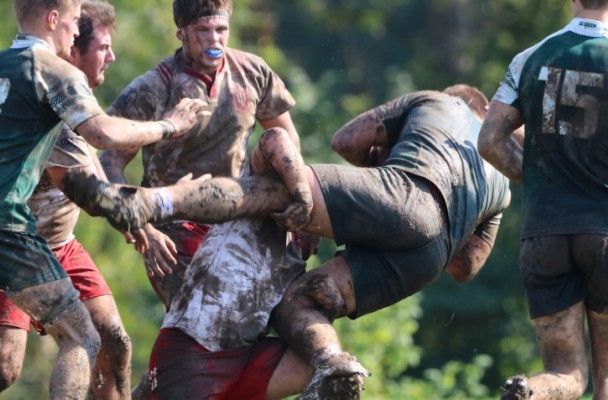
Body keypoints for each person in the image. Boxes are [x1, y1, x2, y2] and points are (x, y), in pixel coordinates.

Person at [66, 84, 512, 398]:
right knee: (302, 304)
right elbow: (465, 268)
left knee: (273, 195)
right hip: (430, 255)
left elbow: (346, 141)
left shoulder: (435, 101)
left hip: (402, 191)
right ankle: (332, 367)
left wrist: (371, 169)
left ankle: (152, 202)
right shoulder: (502, 182)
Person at [0, 0, 208, 398]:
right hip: (3, 224)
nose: (76, 33)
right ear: (53, 19)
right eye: (75, 22)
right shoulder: (54, 70)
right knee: (83, 338)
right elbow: (104, 135)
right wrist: (171, 125)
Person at [99, 0, 299, 310]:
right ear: (181, 33)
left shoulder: (253, 72)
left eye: (221, 29)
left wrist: (302, 209)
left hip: (239, 215)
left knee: (270, 313)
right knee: (197, 317)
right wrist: (139, 225)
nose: (214, 39)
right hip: (173, 227)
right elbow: (109, 162)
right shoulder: (153, 89)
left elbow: (286, 140)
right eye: (203, 31)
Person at [478, 1, 608, 399]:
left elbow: (489, 140)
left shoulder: (530, 58)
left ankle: (530, 392)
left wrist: (537, 180)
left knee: (567, 373)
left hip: (544, 234)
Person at [149, 127, 318, 399]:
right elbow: (274, 137)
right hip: (193, 350)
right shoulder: (258, 196)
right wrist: (303, 196)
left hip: (244, 356)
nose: (321, 236)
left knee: (318, 365)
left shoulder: (297, 262)